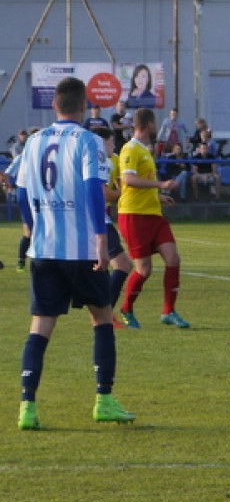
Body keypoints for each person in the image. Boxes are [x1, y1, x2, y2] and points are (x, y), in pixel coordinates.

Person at [15, 76, 135, 429]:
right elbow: (94, 191)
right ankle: (104, 399)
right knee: (101, 318)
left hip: (45, 249)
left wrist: (32, 227)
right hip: (82, 250)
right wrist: (101, 240)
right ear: (84, 106)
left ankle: (27, 406)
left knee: (40, 326)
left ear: (54, 105)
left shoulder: (34, 141)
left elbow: (21, 194)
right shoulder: (89, 141)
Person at [117, 107, 190, 328]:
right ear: (149, 124)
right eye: (155, 122)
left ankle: (169, 311)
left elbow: (140, 183)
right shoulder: (130, 149)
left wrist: (157, 196)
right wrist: (161, 184)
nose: (157, 125)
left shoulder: (145, 149)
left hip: (153, 214)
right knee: (144, 270)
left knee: (173, 259)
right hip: (134, 215)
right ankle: (126, 308)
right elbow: (128, 180)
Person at [92, 126, 134, 327]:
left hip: (99, 218)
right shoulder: (99, 161)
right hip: (96, 219)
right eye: (111, 142)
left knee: (105, 267)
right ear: (102, 143)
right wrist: (125, 193)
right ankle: (105, 314)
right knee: (123, 264)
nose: (114, 145)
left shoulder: (112, 160)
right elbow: (105, 194)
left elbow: (117, 186)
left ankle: (104, 312)